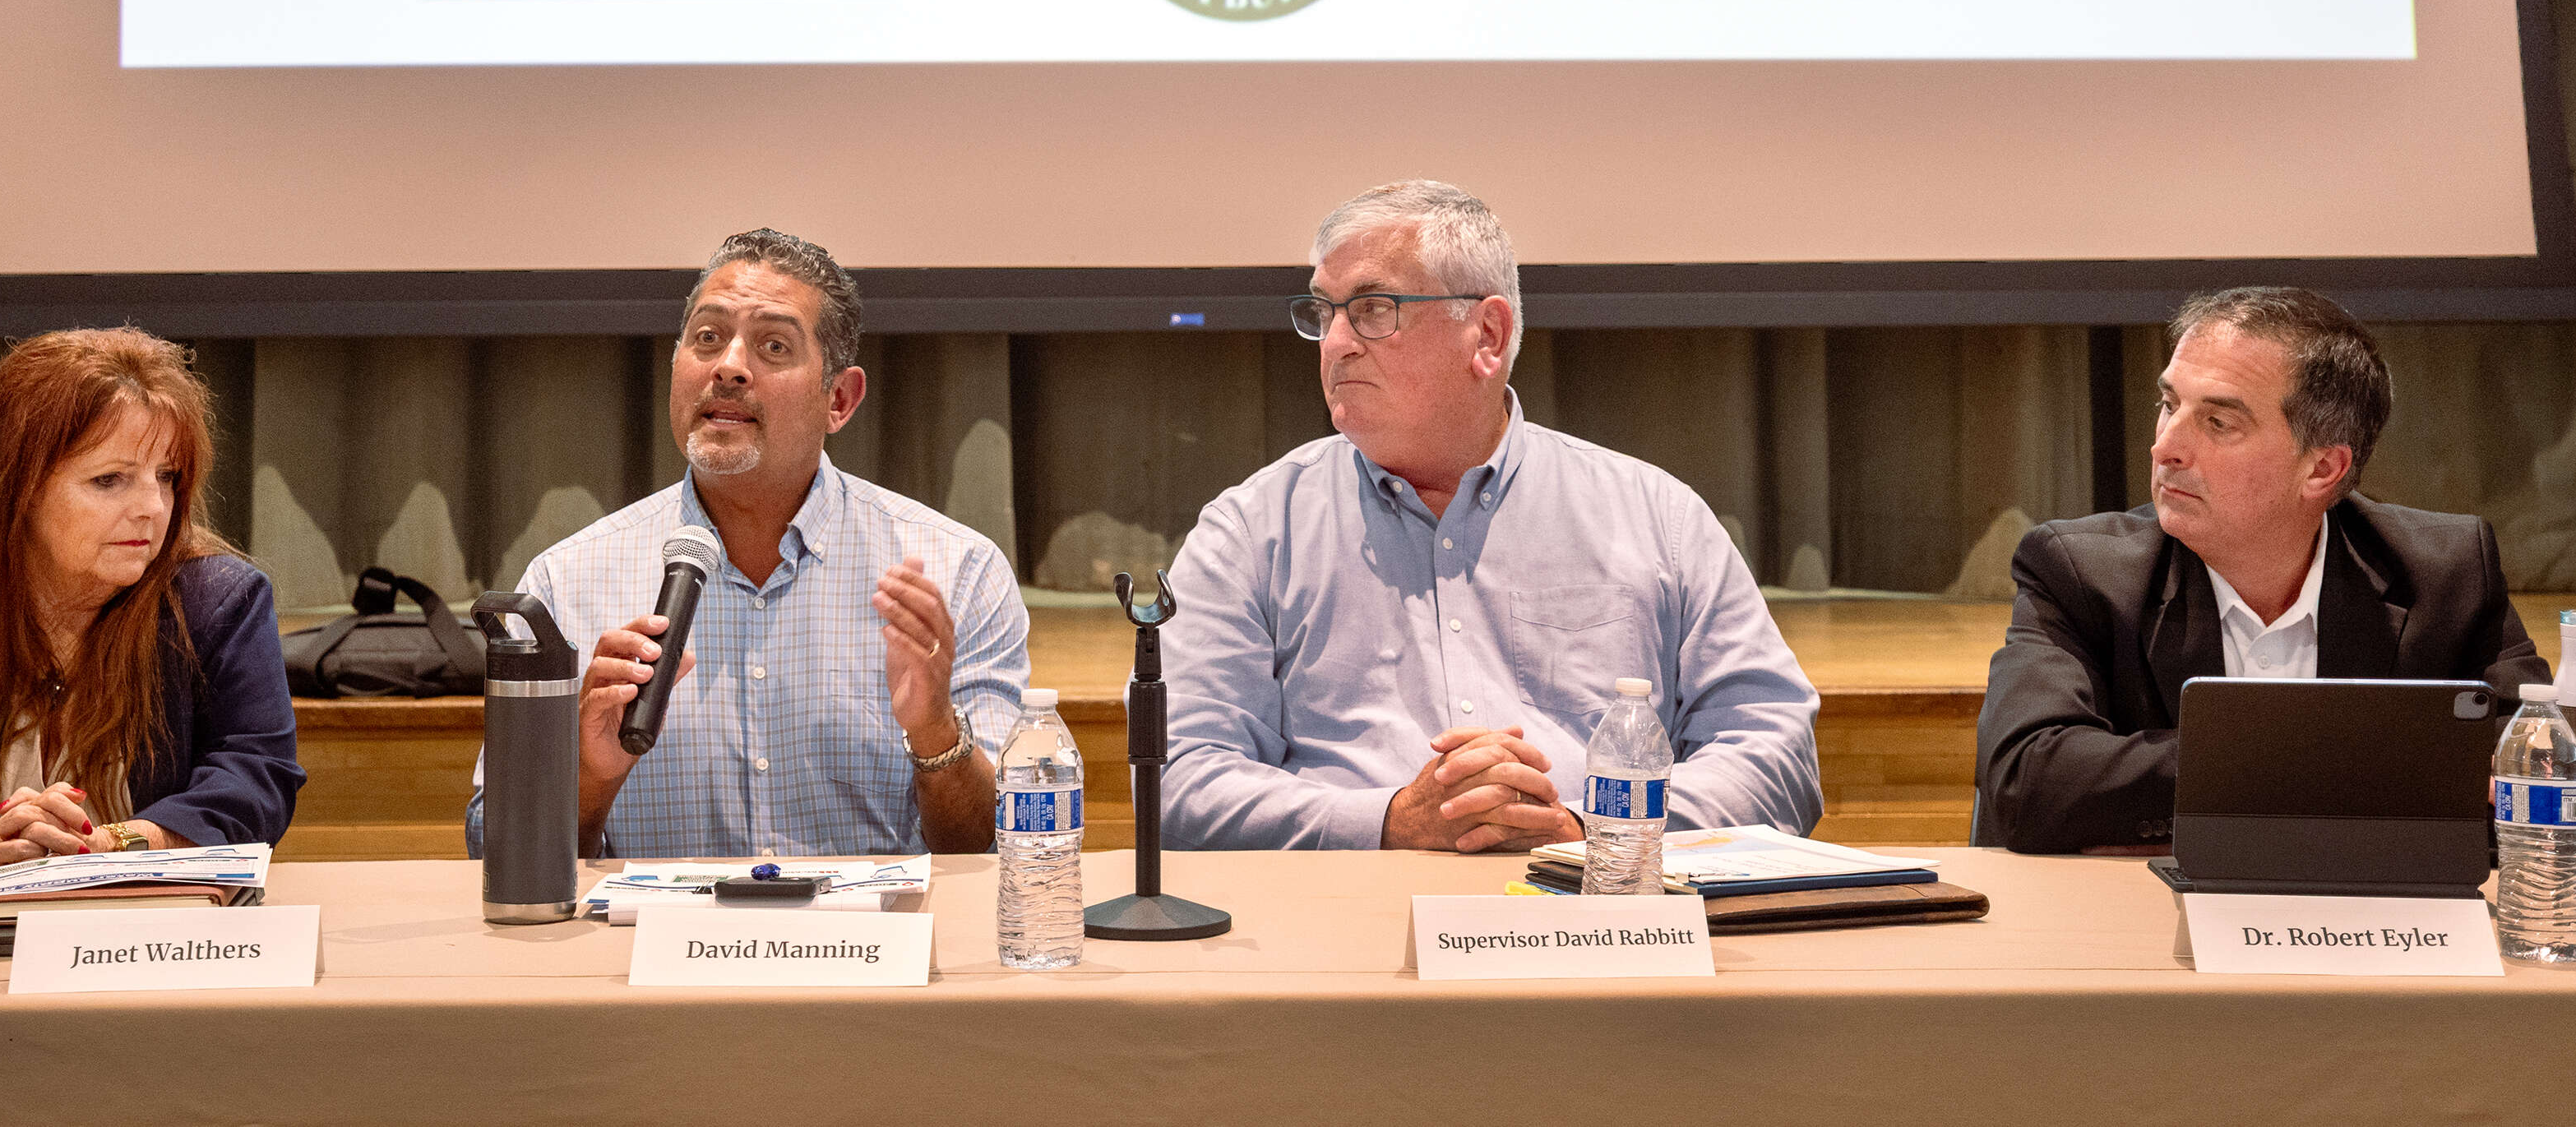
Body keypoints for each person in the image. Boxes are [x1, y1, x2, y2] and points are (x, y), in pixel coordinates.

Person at [1159, 181, 1822, 851]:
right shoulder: (1251, 532)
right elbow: (1178, 777)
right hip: (1347, 901)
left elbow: (1774, 751)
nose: (1335, 343)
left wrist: (1584, 829)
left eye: (1372, 310)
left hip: (1602, 896)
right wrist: (1391, 822)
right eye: (1323, 313)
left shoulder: (1657, 518)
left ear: (1487, 334)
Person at [473, 228, 1030, 858]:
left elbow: (1004, 848)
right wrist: (587, 778)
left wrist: (936, 734)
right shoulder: (566, 583)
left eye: (773, 346)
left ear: (839, 399)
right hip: (645, 926)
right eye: (707, 338)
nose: (729, 367)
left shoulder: (959, 572)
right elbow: (492, 851)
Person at [1974, 285, 2548, 852]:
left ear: (2322, 469)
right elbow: (2027, 781)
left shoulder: (2447, 572)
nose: (2165, 447)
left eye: (2218, 423)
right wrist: (2354, 770)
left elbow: (2541, 771)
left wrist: (2225, 792)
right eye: (2170, 405)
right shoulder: (2080, 573)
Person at [0, 328, 303, 881]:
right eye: (109, 479)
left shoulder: (220, 603)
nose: (153, 507)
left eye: (166, 476)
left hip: (150, 922)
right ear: (15, 488)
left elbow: (255, 785)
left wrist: (108, 846)